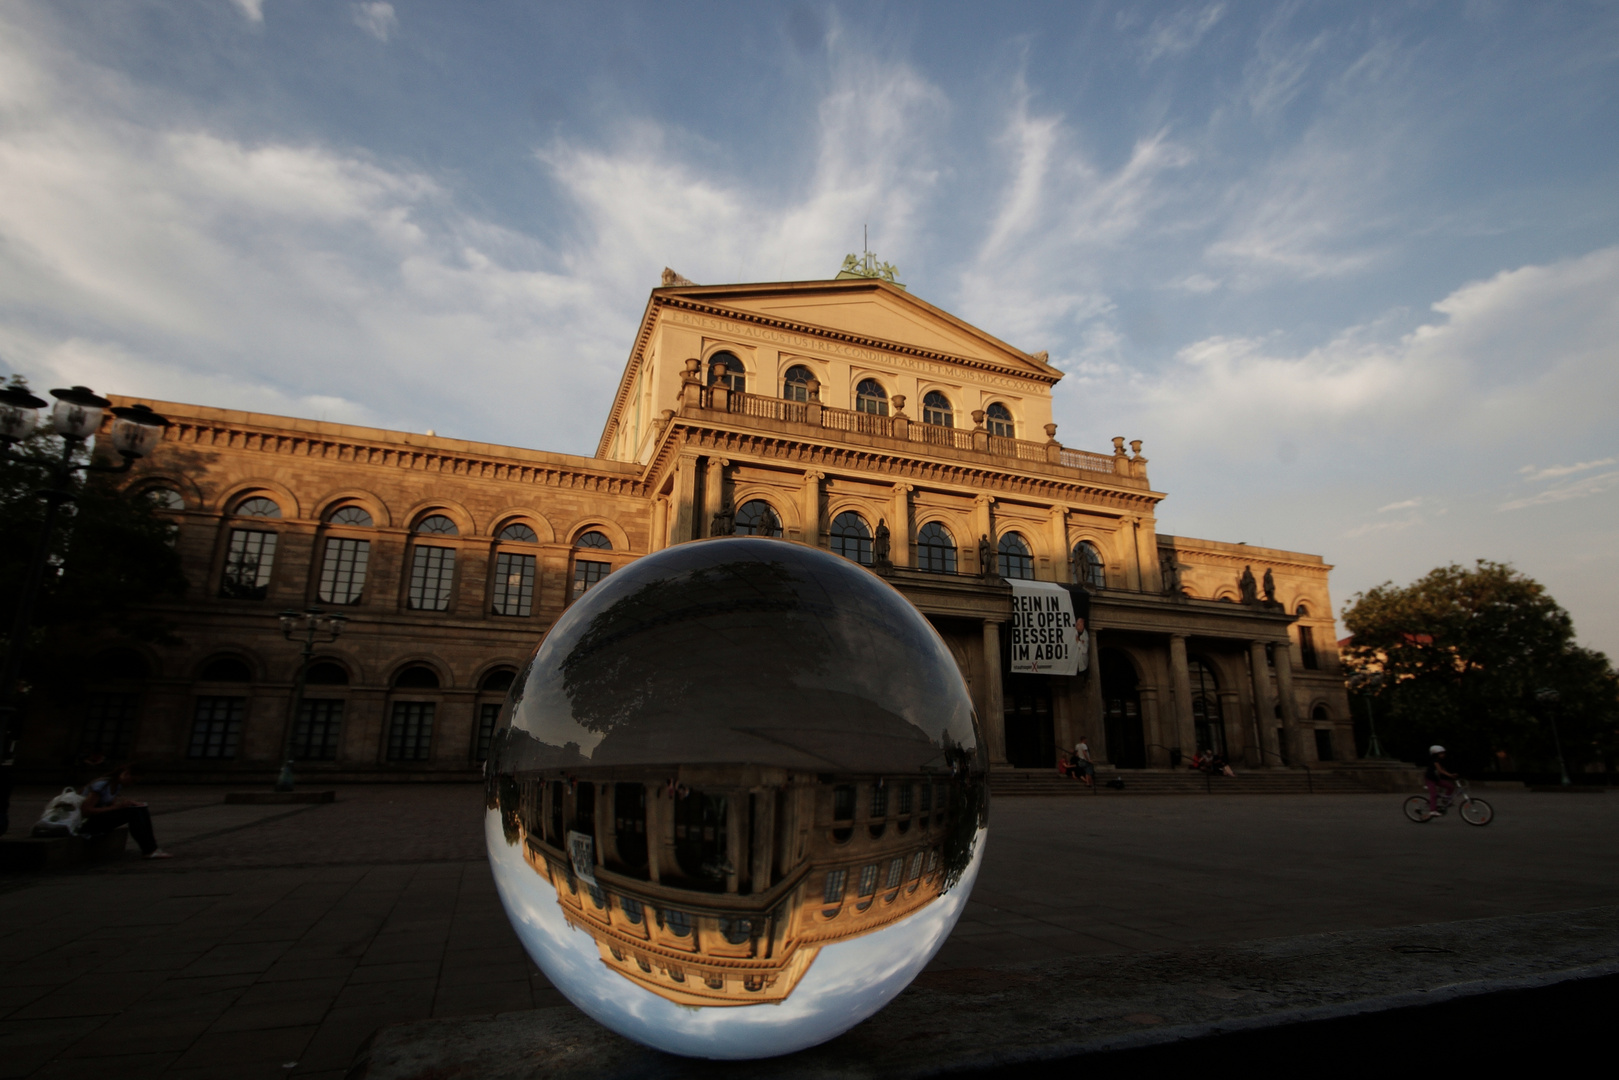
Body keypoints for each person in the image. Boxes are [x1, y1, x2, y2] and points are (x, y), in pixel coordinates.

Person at [80, 763, 170, 859]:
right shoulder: (102, 785)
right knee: (133, 813)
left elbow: (110, 807)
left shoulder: (116, 786)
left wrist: (126, 805)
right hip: (87, 824)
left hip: (97, 819)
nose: (131, 784)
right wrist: (117, 807)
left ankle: (152, 848)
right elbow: (86, 811)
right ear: (126, 774)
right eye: (132, 781)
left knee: (140, 809)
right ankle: (149, 849)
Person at [1425, 745, 1459, 815]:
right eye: (1441, 753)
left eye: (1443, 753)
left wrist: (1450, 774)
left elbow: (1443, 769)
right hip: (1430, 780)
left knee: (1450, 787)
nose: (1443, 755)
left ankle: (1445, 800)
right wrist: (1450, 775)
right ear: (1435, 754)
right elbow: (1440, 771)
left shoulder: (1440, 761)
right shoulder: (1435, 761)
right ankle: (1432, 810)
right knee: (1433, 794)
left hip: (1436, 779)